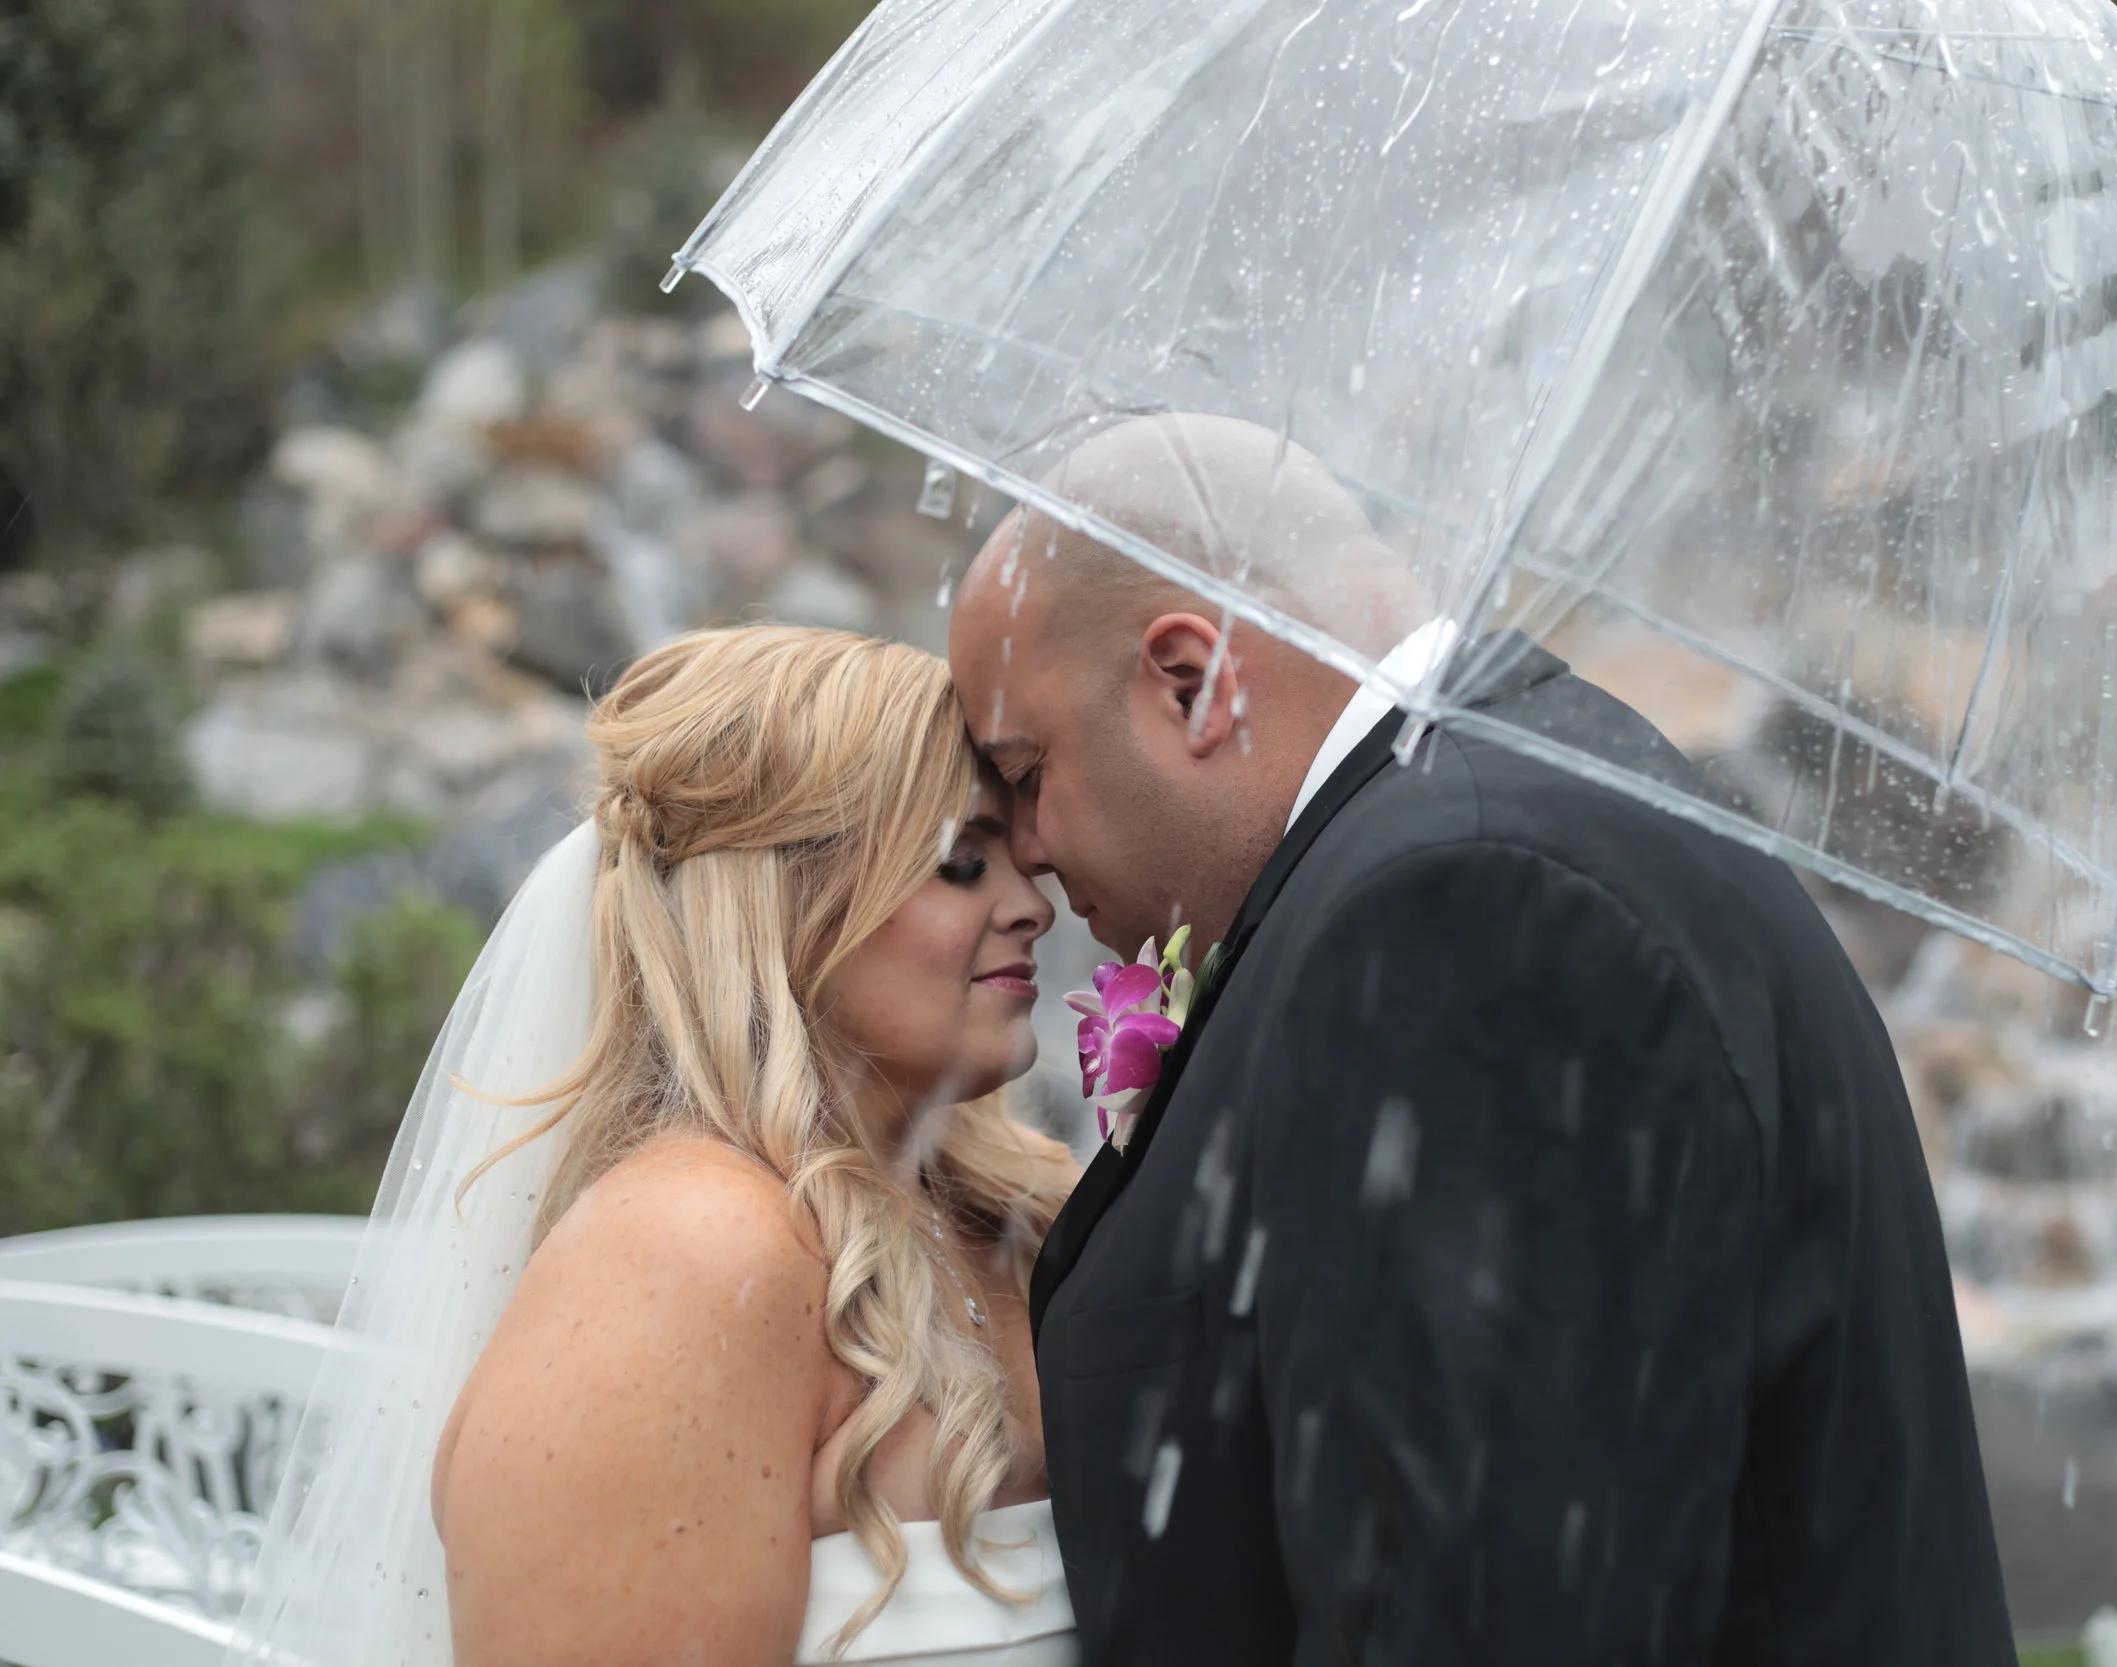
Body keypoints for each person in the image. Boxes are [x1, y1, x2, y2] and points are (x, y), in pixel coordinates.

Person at [946, 414, 2018, 1666]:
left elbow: (1482, 1609)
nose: (1027, 845)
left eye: (1027, 768)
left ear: (1191, 680)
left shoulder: (1464, 907)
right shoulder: (1509, 819)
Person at [230, 626, 1085, 1667]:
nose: (1032, 907)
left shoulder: (1013, 1211)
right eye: (963, 861)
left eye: (1024, 861)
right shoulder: (688, 1251)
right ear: (781, 898)